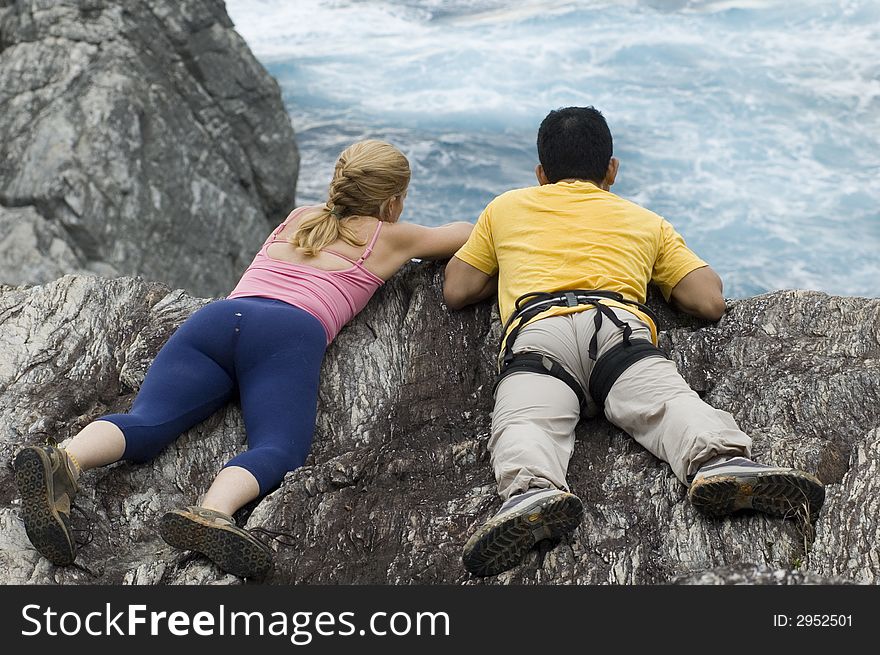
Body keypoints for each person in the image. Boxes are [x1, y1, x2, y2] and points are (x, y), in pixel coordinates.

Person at [14, 139, 473, 580]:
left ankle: (65, 459)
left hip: (216, 320)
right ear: (392, 202)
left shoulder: (300, 217)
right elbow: (467, 234)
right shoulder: (392, 236)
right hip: (286, 333)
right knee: (278, 447)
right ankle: (213, 511)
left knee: (149, 420)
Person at [442, 107, 825, 578]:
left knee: (525, 419)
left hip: (539, 334)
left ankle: (531, 491)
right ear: (612, 170)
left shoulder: (505, 208)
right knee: (668, 403)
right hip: (617, 331)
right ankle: (719, 461)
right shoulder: (645, 221)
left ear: (541, 174)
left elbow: (457, 289)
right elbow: (708, 300)